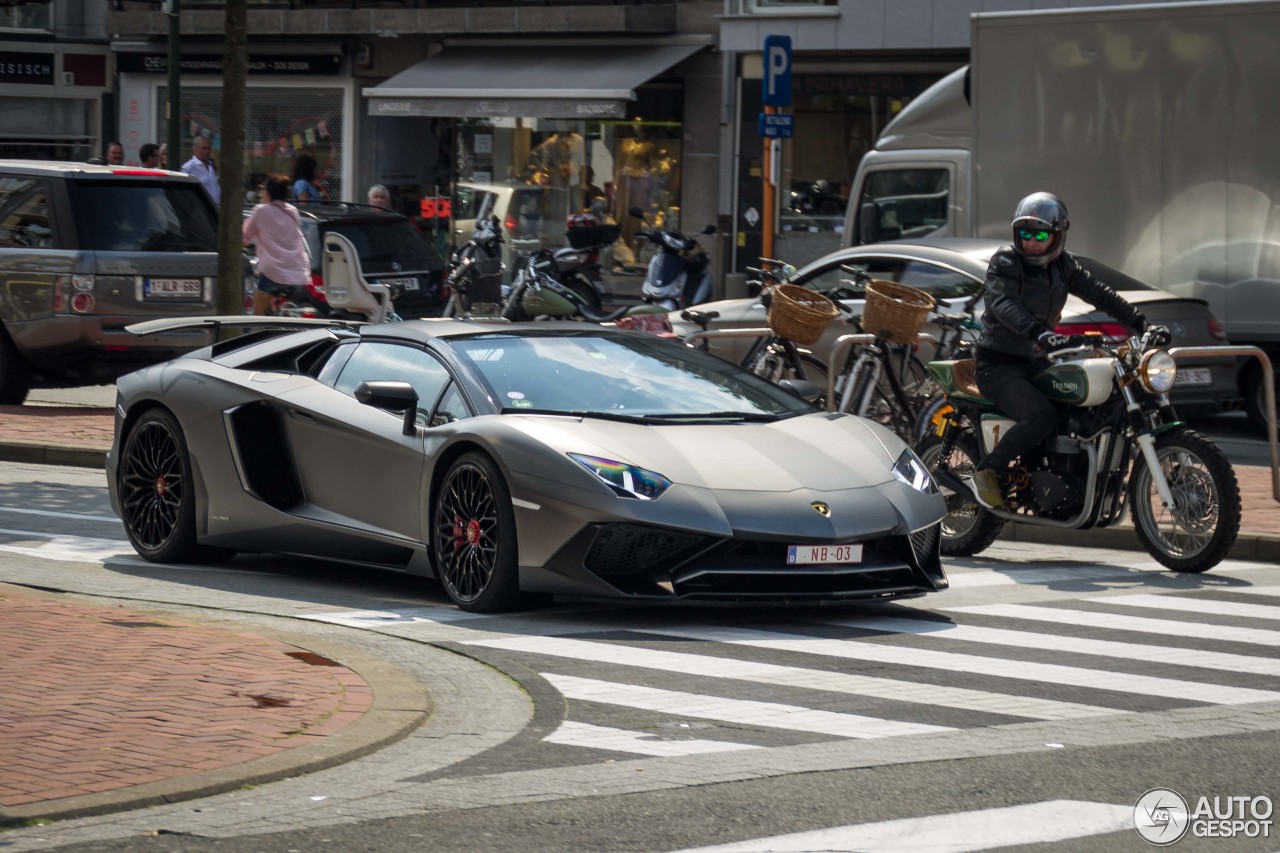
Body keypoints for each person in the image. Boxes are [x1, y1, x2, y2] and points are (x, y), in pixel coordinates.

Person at [969, 192, 1169, 509]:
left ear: (1058, 235)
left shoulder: (1064, 266)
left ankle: (1049, 482)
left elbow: (1100, 294)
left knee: (1083, 413)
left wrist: (1140, 322)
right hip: (999, 365)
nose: (1031, 241)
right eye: (1025, 233)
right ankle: (989, 470)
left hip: (1037, 362)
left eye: (1040, 234)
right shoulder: (1006, 262)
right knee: (1040, 416)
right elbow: (1004, 304)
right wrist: (1040, 333)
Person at [242, 174, 310, 316]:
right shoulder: (293, 211)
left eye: (263, 189)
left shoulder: (261, 210)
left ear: (267, 192)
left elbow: (245, 239)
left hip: (272, 271)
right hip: (296, 269)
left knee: (256, 318)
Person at [182, 136, 220, 203]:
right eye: (203, 148)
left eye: (208, 148)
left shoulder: (211, 165)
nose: (207, 151)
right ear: (195, 149)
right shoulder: (188, 168)